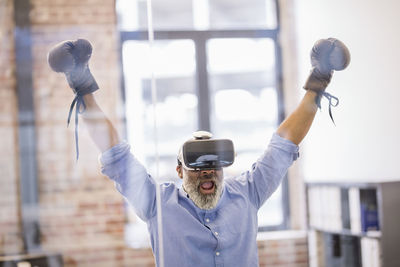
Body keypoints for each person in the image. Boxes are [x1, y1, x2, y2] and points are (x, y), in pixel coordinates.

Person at [48, 38, 350, 266]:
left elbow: (284, 144)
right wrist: (81, 85)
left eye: (213, 161)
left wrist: (319, 80)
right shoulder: (158, 204)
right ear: (179, 171)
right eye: (195, 162)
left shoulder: (248, 192)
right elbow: (115, 152)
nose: (207, 170)